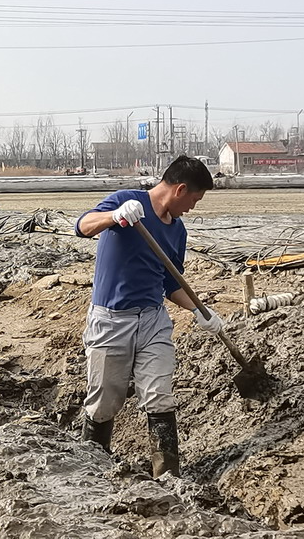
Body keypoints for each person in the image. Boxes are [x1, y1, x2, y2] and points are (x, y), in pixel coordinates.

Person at [75, 155, 222, 479]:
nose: (192, 208)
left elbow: (171, 282)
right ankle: (92, 474)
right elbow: (82, 226)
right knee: (103, 402)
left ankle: (168, 478)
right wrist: (114, 216)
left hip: (153, 320)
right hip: (111, 321)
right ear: (180, 189)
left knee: (159, 396)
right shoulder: (127, 201)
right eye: (194, 200)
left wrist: (200, 310)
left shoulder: (177, 231)